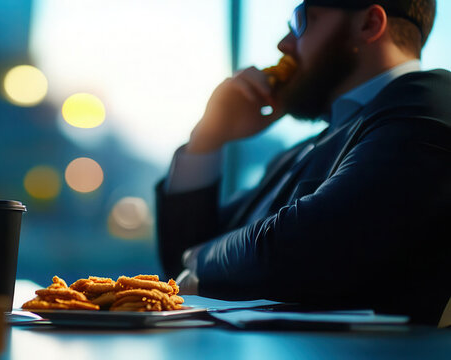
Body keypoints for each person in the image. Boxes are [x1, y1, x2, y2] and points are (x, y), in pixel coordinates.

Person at [156, 0, 450, 325]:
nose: (283, 44)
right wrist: (206, 140)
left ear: (369, 24)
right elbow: (176, 280)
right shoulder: (299, 152)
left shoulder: (431, 102)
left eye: (302, 20)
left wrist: (198, 257)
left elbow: (306, 245)